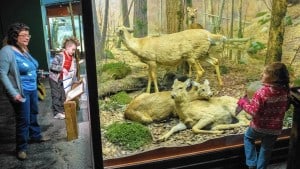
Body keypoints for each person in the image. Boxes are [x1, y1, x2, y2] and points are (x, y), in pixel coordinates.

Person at [0, 22, 50, 160]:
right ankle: (21, 148)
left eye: (28, 35)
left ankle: (35, 136)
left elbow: (30, 67)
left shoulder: (24, 49)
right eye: (23, 35)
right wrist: (13, 93)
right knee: (23, 120)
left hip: (32, 89)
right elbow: (2, 74)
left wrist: (38, 73)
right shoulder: (6, 51)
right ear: (14, 36)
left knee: (33, 113)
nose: (27, 38)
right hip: (20, 92)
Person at [237, 62, 290, 169]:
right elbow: (286, 107)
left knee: (248, 138)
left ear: (274, 77)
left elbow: (254, 112)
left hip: (259, 127)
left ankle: (252, 164)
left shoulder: (262, 92)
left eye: (265, 73)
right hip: (275, 129)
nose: (262, 74)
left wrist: (243, 102)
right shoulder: (286, 91)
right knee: (266, 150)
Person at [49, 37, 80, 120]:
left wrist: (75, 80)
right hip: (55, 79)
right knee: (56, 95)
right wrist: (62, 69)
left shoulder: (72, 58)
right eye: (73, 49)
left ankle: (62, 110)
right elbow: (52, 66)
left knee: (63, 95)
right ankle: (57, 113)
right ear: (68, 47)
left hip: (64, 80)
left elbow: (74, 70)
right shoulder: (60, 56)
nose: (74, 52)